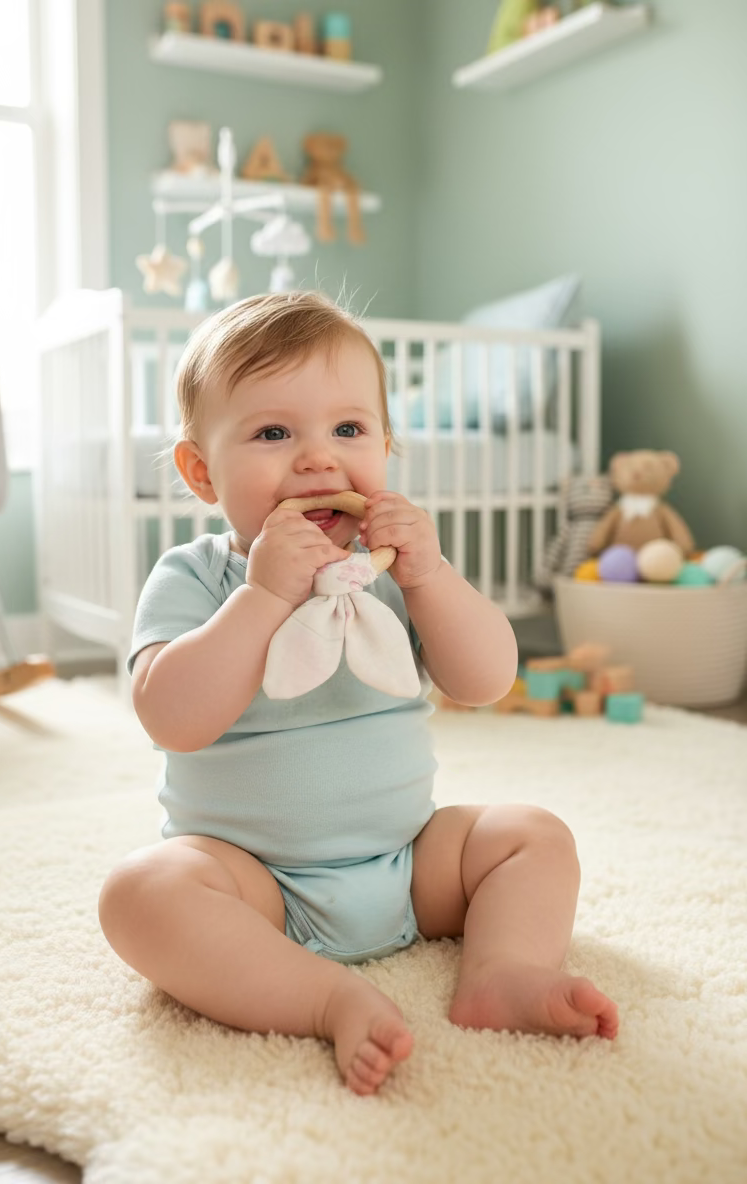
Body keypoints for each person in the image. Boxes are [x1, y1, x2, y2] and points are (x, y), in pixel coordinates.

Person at [98, 290, 619, 1097]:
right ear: (202, 471)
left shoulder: (393, 569)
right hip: (253, 885)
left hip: (410, 862)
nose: (317, 459)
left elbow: (486, 680)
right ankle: (322, 997)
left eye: (348, 430)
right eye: (274, 433)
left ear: (385, 446)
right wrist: (264, 599)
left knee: (534, 835)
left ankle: (500, 973)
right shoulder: (196, 577)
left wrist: (433, 576)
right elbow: (171, 716)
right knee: (139, 895)